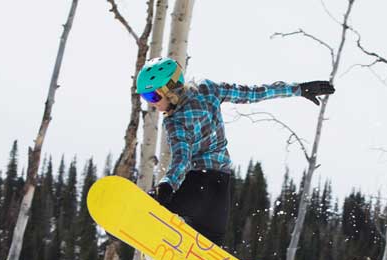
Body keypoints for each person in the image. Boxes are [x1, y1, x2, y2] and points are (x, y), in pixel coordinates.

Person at [136, 56, 334, 247]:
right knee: (210, 244)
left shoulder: (173, 121)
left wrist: (167, 185)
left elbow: (182, 156)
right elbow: (254, 93)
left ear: (170, 90)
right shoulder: (207, 88)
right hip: (221, 184)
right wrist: (297, 89)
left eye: (152, 96)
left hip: (198, 183)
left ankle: (151, 226)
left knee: (160, 210)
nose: (151, 103)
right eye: (146, 97)